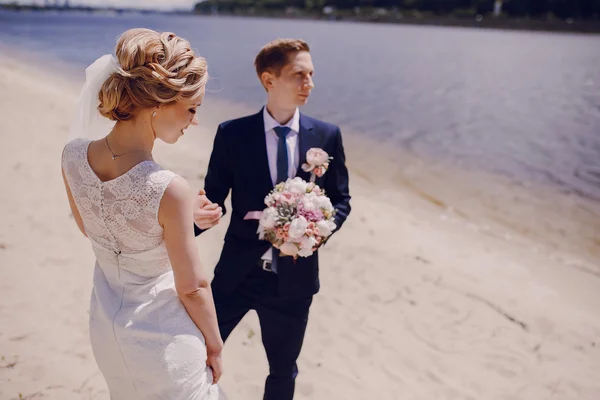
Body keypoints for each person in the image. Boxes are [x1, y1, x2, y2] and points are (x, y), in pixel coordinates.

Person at [61, 28, 225, 399]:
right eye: (192, 109)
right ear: (159, 104)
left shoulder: (72, 155)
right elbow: (193, 287)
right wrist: (214, 346)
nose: (194, 121)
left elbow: (95, 226)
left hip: (107, 333)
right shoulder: (169, 188)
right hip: (164, 343)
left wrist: (177, 220)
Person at [193, 38, 351, 400]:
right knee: (197, 354)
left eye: (311, 74)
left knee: (282, 372)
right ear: (269, 80)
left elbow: (341, 201)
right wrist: (185, 228)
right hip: (237, 275)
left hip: (293, 283)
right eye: (299, 75)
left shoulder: (327, 136)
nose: (309, 83)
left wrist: (315, 232)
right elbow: (214, 198)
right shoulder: (232, 134)